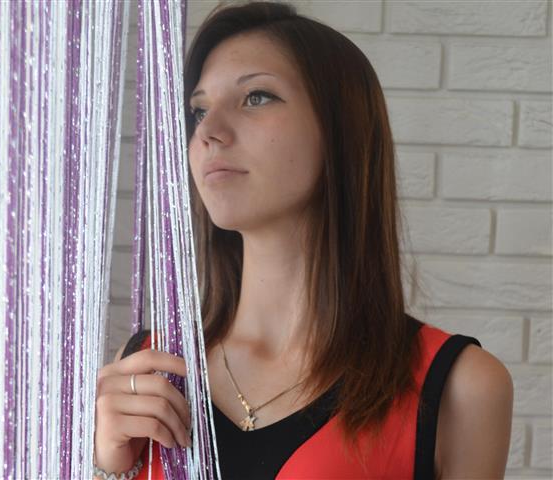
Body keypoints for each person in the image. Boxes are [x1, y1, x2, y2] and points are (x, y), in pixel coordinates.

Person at [93, 2, 514, 479]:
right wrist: (105, 467)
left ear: (341, 130)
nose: (209, 131)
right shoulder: (148, 368)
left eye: (256, 97)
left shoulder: (459, 388)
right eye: (199, 110)